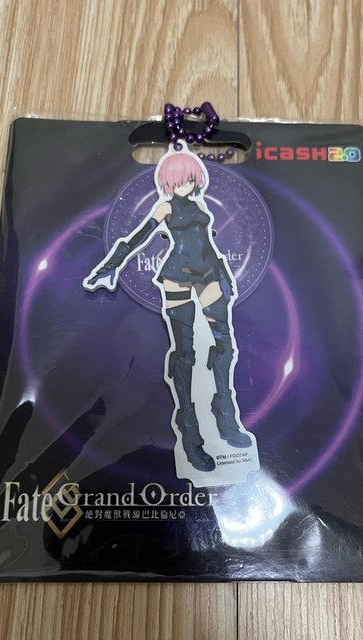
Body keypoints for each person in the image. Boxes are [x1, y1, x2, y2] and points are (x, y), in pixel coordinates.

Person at [84, 149, 253, 472]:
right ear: (168, 182)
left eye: (189, 179)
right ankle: (190, 435)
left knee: (226, 346)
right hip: (177, 276)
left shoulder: (200, 205)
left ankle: (226, 419)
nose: (184, 185)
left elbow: (208, 243)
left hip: (209, 274)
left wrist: (223, 275)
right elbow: (138, 237)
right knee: (185, 354)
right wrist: (111, 266)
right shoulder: (164, 207)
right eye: (178, 181)